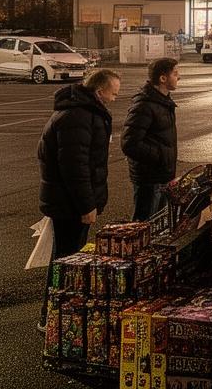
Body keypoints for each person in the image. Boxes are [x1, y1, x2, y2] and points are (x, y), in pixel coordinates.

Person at [37, 68, 121, 330]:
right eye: (114, 93)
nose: (115, 98)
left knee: (66, 259)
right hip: (70, 204)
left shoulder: (81, 112)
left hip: (67, 201)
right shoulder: (78, 116)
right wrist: (87, 205)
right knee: (66, 262)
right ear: (99, 91)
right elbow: (75, 168)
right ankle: (52, 318)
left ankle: (56, 316)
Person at [121, 57, 180, 221]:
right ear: (163, 78)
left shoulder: (163, 102)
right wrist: (160, 156)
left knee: (159, 225)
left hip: (163, 176)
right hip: (150, 179)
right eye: (175, 74)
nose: (179, 77)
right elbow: (129, 143)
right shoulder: (144, 105)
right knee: (144, 224)